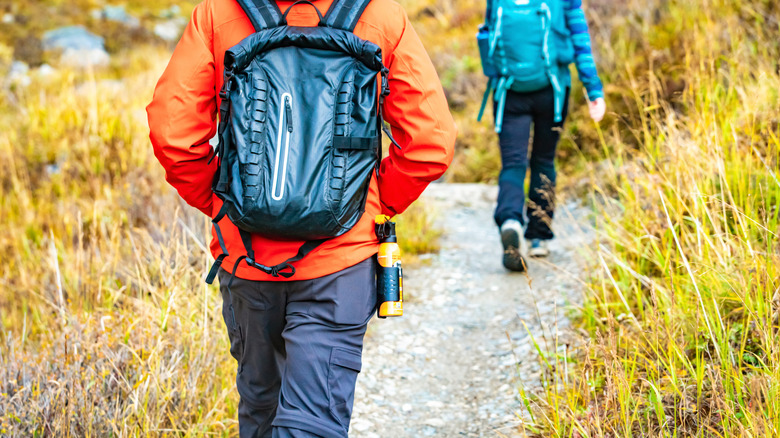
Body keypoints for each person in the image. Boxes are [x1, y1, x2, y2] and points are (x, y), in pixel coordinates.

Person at [146, 0, 456, 436]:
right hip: (340, 265)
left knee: (260, 408)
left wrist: (225, 204)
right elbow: (430, 143)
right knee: (313, 422)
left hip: (247, 260)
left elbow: (172, 135)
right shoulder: (380, 16)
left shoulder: (217, 14)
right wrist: (373, 204)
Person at [481, 0, 606, 271]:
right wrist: (593, 89)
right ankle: (538, 235)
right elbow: (580, 38)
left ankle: (510, 220)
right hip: (553, 90)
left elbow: (489, 32)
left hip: (508, 92)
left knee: (513, 164)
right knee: (544, 161)